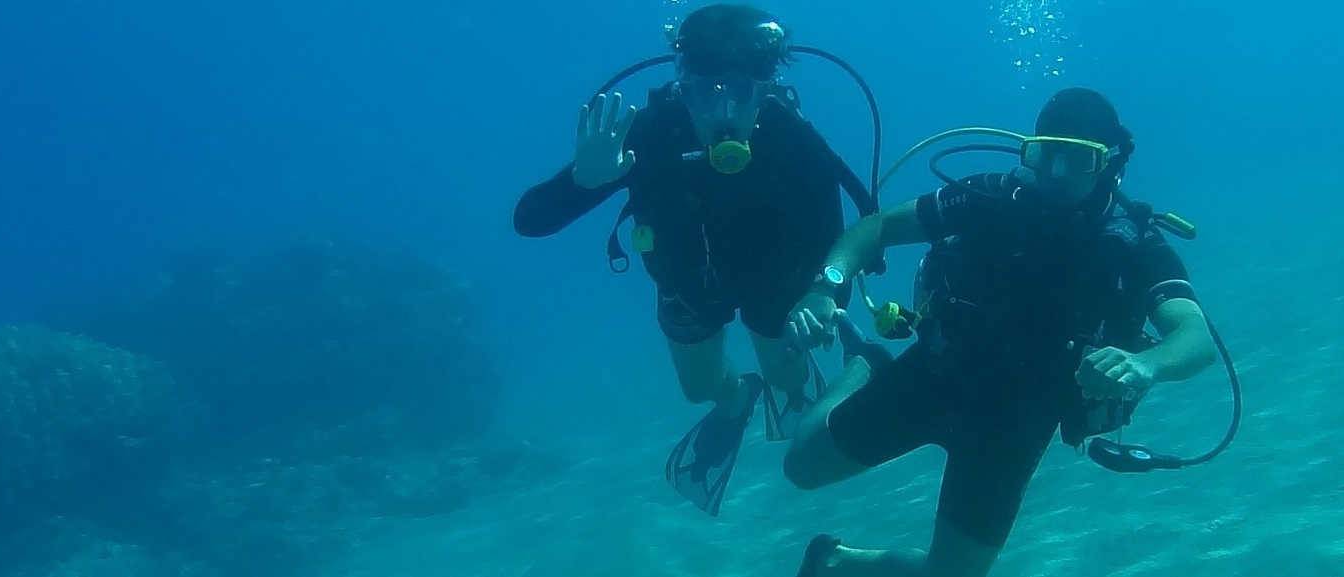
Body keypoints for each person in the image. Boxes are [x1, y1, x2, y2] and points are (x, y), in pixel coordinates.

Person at [780, 88, 1223, 577]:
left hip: (1015, 426)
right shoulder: (989, 197)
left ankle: (834, 560)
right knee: (802, 468)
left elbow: (1194, 337)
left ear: (1111, 163)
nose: (1056, 173)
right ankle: (864, 365)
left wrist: (1146, 364)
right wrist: (827, 285)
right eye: (1046, 153)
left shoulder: (1135, 244)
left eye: (1078, 159)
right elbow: (879, 228)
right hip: (934, 375)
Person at [511, 3, 883, 516]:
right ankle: (737, 399)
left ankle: (782, 384)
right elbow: (530, 221)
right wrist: (584, 180)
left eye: (742, 92)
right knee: (699, 389)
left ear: (765, 90)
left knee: (787, 374)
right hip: (686, 283)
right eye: (706, 92)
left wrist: (824, 292)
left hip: (774, 283)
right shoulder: (647, 135)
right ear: (682, 86)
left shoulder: (792, 139)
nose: (723, 112)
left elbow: (841, 232)